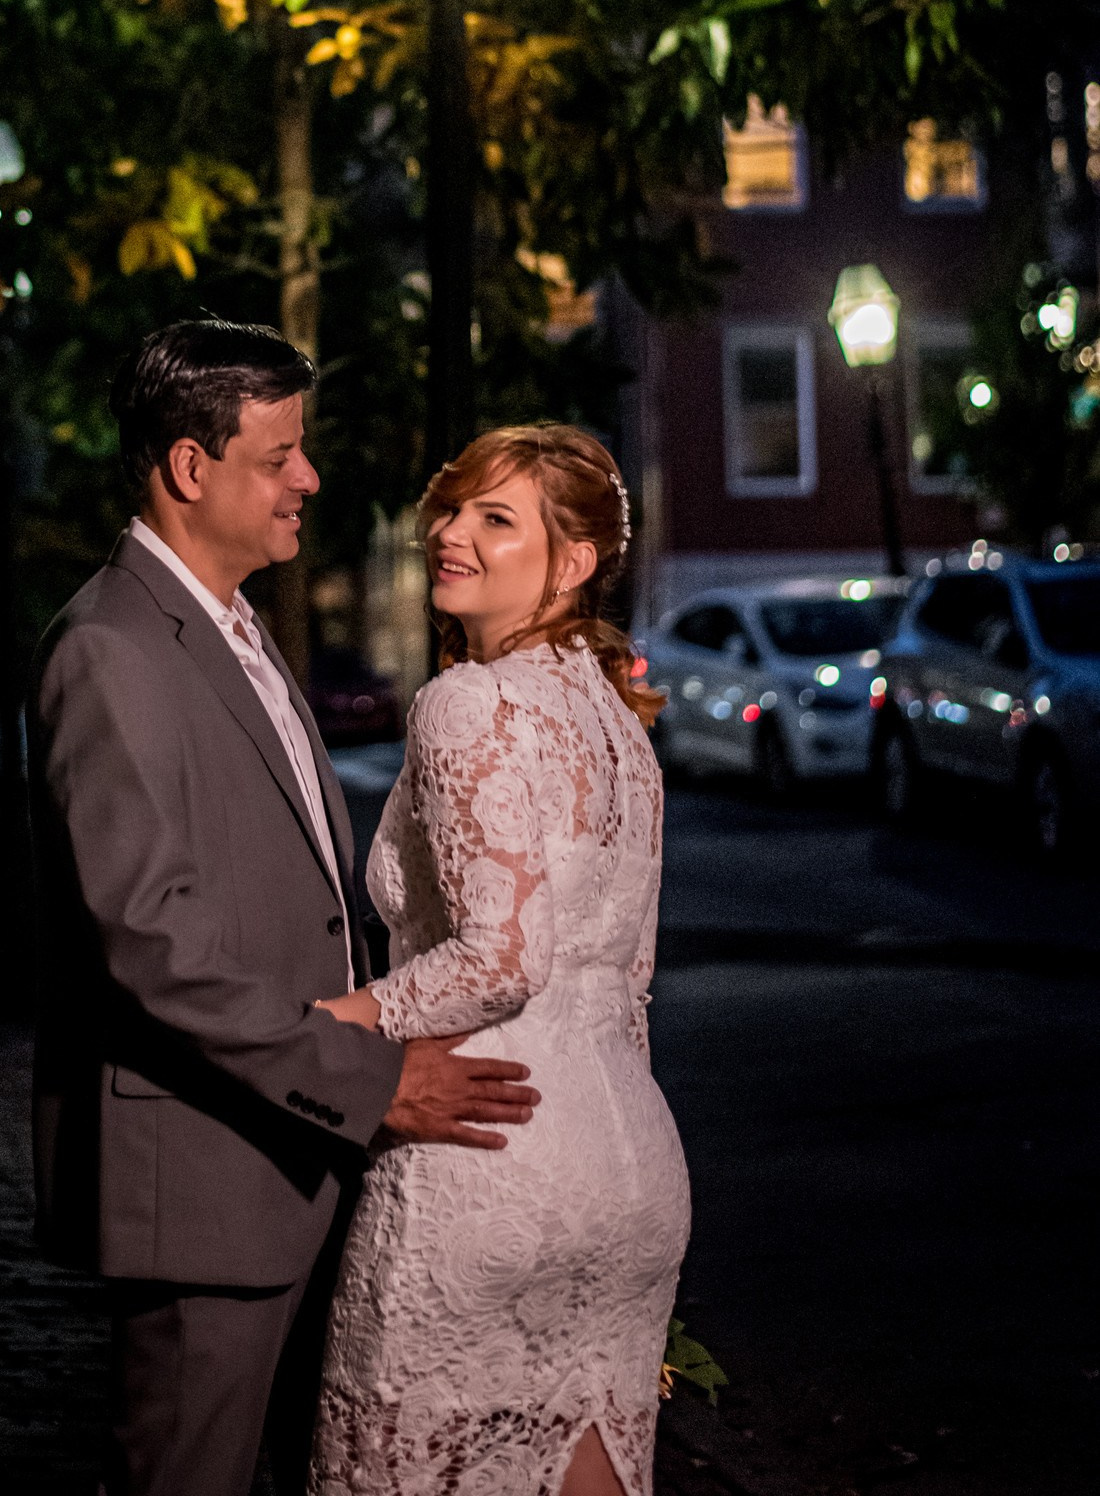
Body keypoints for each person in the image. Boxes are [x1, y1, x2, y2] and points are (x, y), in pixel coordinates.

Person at [27, 320, 539, 1496]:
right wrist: (372, 1079)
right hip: (206, 1175)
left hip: (292, 1163)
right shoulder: (109, 648)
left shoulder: (235, 627)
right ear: (188, 466)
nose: (308, 477)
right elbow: (150, 946)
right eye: (279, 456)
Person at [311, 425, 690, 1496]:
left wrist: (332, 1022)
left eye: (494, 516)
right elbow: (629, 985)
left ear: (572, 561)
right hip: (631, 1171)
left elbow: (500, 958)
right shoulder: (619, 723)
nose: (449, 533)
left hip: (488, 1153)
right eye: (450, 508)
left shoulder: (466, 702)